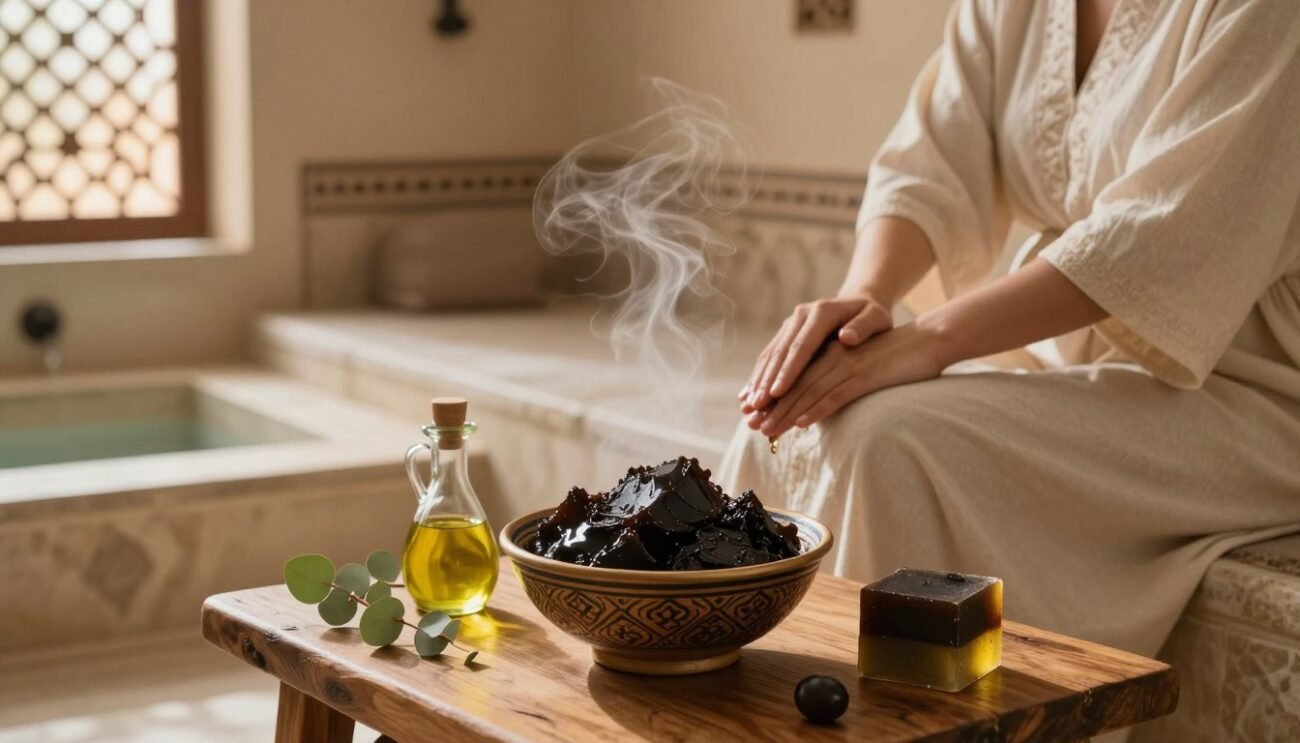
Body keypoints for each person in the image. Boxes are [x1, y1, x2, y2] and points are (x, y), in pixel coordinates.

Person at [722, 0, 1300, 664]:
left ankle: (904, 723)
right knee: (787, 417)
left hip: (1253, 387)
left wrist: (926, 339)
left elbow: (1160, 234)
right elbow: (928, 164)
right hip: (1071, 364)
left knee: (888, 445)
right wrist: (860, 307)